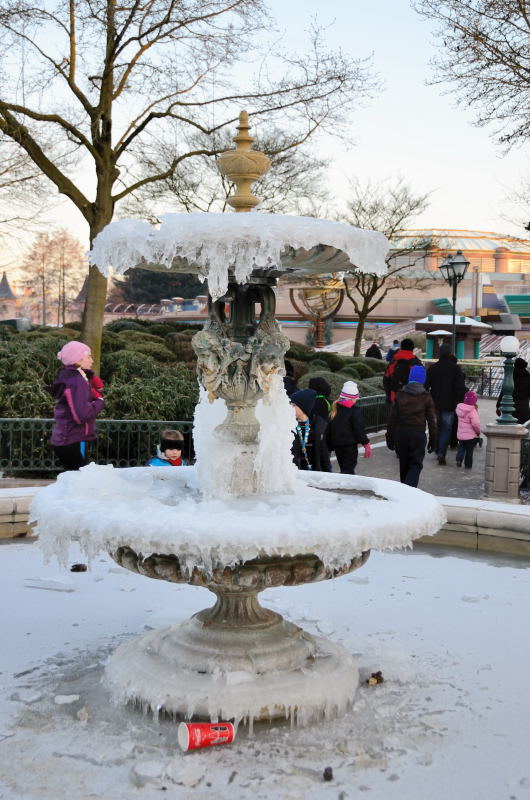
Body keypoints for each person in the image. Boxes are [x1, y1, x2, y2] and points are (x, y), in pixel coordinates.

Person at [48, 340, 105, 471]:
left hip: (65, 438)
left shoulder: (68, 375)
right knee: (79, 482)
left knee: (73, 481)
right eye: (88, 356)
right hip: (73, 438)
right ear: (78, 360)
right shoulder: (77, 381)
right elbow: (81, 415)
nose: (92, 360)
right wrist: (100, 402)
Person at [386, 365, 437, 488]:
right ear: (423, 380)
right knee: (416, 465)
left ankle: (404, 489)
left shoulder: (400, 394)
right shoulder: (426, 397)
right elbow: (432, 421)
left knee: (404, 464)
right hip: (418, 434)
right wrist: (433, 440)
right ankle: (409, 491)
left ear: (410, 378)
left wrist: (390, 437)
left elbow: (392, 418)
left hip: (401, 433)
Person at [425, 344, 466, 465]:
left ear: (439, 354)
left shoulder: (433, 368)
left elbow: (426, 386)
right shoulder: (456, 369)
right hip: (450, 405)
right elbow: (460, 388)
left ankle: (437, 449)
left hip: (434, 404)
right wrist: (462, 402)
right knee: (446, 430)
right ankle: (441, 453)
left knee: (436, 427)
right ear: (450, 354)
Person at [326, 381, 371, 474]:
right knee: (348, 471)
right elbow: (359, 429)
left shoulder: (335, 408)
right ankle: (346, 486)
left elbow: (330, 429)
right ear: (352, 398)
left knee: (344, 469)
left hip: (338, 447)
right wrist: (366, 443)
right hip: (350, 447)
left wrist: (329, 445)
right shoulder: (355, 411)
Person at [290, 388, 330, 472]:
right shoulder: (289, 425)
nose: (290, 407)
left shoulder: (318, 426)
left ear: (304, 407)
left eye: (294, 405)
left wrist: (328, 473)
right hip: (296, 473)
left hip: (315, 472)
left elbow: (323, 454)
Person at [383, 338, 423, 404]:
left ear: (401, 347)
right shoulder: (417, 363)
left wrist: (389, 395)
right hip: (412, 401)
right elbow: (421, 382)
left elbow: (386, 379)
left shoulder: (394, 361)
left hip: (395, 399)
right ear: (412, 348)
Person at [308, 376, 332, 471]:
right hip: (325, 437)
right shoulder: (327, 402)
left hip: (310, 437)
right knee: (325, 463)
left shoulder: (309, 401)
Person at [496, 357, 530, 424]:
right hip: (524, 407)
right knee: (523, 430)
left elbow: (503, 392)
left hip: (510, 408)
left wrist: (498, 406)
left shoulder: (510, 376)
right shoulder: (528, 378)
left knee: (511, 429)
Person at [455, 391, 481, 469]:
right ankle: (468, 464)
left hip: (461, 434)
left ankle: (459, 458)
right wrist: (478, 432)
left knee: (461, 447)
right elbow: (475, 424)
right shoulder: (472, 411)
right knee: (469, 450)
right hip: (470, 436)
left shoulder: (460, 408)